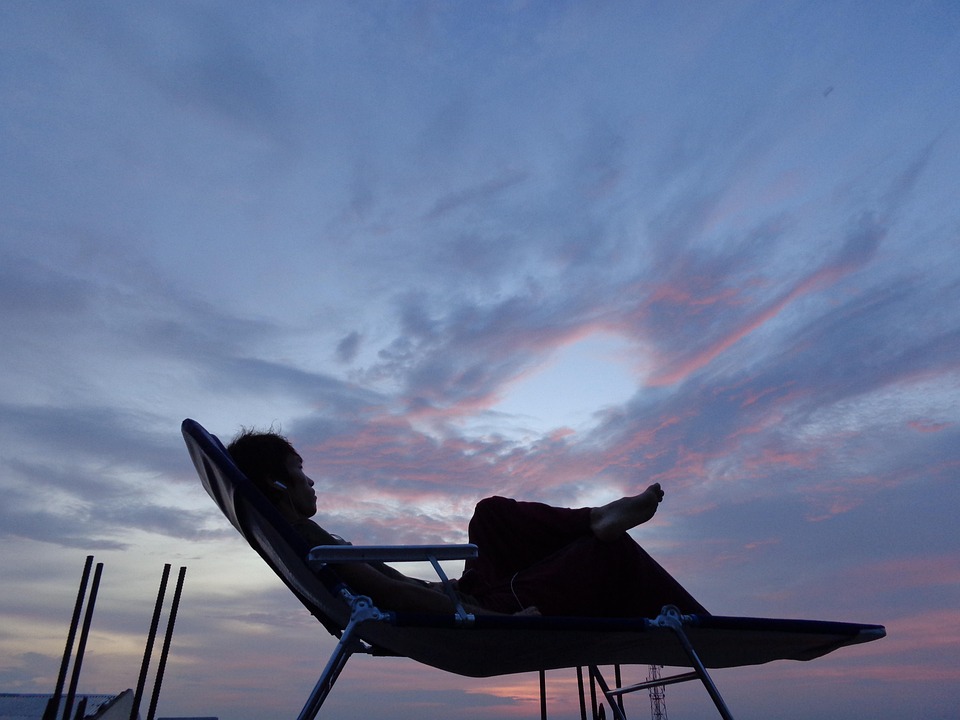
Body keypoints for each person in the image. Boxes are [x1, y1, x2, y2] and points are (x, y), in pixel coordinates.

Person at [227, 429, 708, 618]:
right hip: (480, 608)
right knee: (606, 552)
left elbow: (399, 588)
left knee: (490, 513)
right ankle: (600, 528)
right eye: (300, 473)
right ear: (275, 485)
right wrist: (503, 622)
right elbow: (396, 596)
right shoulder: (317, 548)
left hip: (461, 589)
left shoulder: (311, 541)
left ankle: (595, 517)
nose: (312, 483)